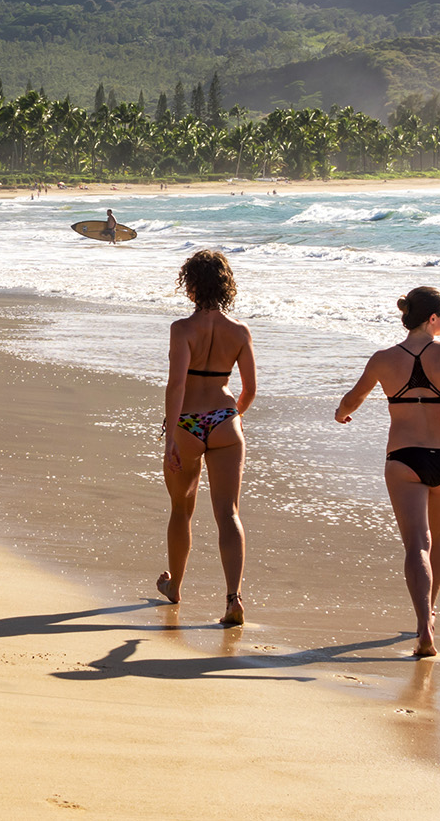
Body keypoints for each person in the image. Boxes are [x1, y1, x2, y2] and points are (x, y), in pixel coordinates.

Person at [335, 285, 440, 658]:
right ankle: (430, 616)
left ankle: (423, 626)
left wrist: (342, 413)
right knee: (438, 538)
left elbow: (353, 397)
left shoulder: (383, 358)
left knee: (416, 544)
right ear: (433, 317)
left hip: (404, 457)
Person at [155, 250, 258, 627]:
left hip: (188, 424)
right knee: (228, 513)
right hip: (225, 420)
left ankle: (176, 586)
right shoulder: (240, 332)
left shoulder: (182, 330)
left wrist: (170, 437)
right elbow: (249, 390)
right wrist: (233, 418)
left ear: (192, 285)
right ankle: (233, 598)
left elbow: (177, 384)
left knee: (181, 509)